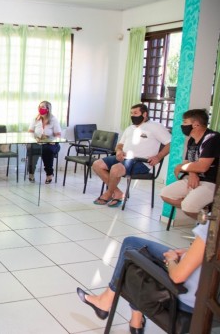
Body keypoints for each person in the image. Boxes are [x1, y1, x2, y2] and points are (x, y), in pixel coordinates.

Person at [77, 220, 208, 333]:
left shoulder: (214, 225)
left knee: (133, 246)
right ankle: (135, 323)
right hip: (209, 300)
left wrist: (172, 260)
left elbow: (178, 276)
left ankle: (107, 303)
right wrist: (190, 253)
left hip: (186, 296)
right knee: (142, 255)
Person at [92, 103, 171, 208]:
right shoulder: (130, 128)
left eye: (135, 113)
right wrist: (119, 151)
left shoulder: (155, 127)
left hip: (141, 162)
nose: (133, 116)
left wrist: (158, 157)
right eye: (131, 113)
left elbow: (170, 143)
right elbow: (119, 145)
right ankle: (118, 193)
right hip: (123, 158)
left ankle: (108, 193)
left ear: (144, 114)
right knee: (97, 164)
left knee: (115, 169)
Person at [161, 109, 220, 219]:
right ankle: (206, 219)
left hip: (211, 182)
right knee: (165, 194)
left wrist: (181, 167)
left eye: (185, 122)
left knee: (188, 207)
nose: (182, 125)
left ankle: (209, 229)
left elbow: (202, 167)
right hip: (194, 179)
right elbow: (188, 163)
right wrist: (192, 173)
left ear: (196, 124)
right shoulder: (192, 140)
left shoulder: (212, 138)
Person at [26, 101, 62, 184]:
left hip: (51, 144)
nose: (40, 109)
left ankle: (49, 174)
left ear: (48, 109)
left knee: (47, 150)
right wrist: (35, 138)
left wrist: (51, 139)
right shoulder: (35, 119)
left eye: (42, 107)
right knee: (31, 148)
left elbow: (58, 135)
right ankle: (31, 173)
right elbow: (30, 132)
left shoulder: (53, 119)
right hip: (37, 142)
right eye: (39, 107)